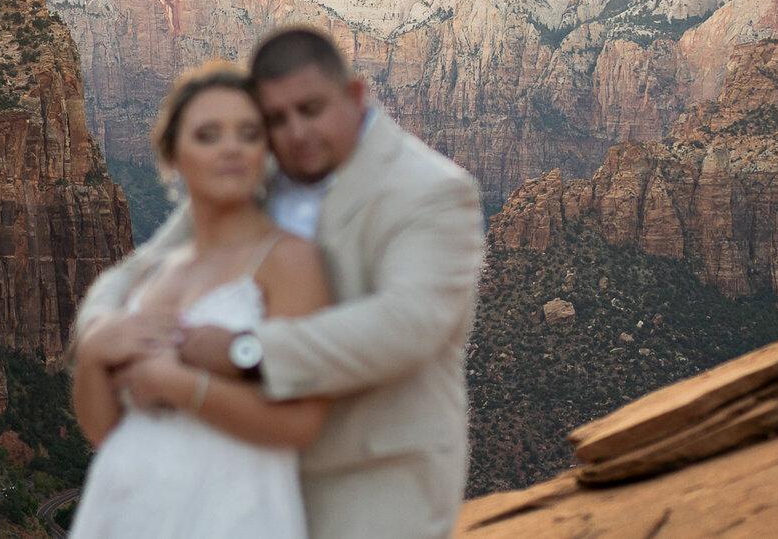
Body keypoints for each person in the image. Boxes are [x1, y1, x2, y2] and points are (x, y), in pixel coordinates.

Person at [74, 27, 485, 539]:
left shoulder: (432, 191)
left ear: (354, 96)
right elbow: (145, 266)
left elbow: (408, 324)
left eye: (311, 109)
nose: (295, 134)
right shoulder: (255, 172)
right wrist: (100, 333)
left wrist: (247, 351)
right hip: (233, 469)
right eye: (275, 120)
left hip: (368, 479)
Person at [69, 63, 335, 539]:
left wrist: (179, 385)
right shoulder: (155, 273)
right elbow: (105, 431)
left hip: (230, 512)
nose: (231, 147)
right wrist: (93, 356)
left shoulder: (289, 261)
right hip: (122, 508)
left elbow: (304, 425)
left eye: (248, 133)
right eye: (208, 134)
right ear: (173, 154)